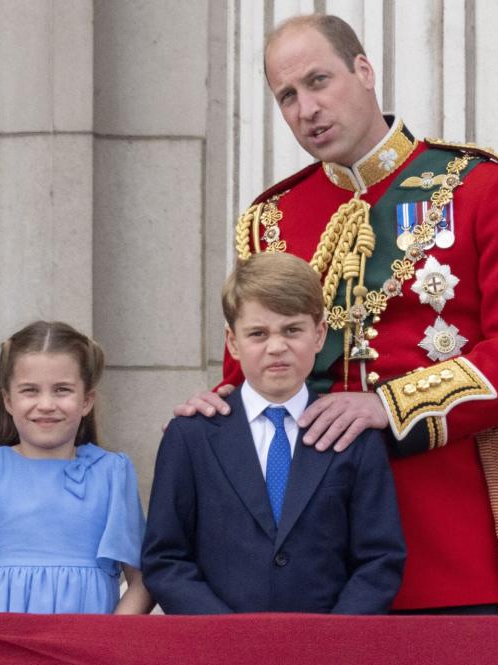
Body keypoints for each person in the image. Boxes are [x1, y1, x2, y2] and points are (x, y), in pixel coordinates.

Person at [176, 14, 498, 613]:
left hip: (439, 538)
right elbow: (251, 372)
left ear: (364, 70)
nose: (307, 109)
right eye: (288, 96)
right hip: (305, 553)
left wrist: (387, 405)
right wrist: (219, 404)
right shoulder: (271, 219)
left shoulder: (479, 187)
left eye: (319, 81)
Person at [144, 253, 405, 614]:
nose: (276, 346)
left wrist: (333, 641)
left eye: (292, 330)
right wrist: (227, 637)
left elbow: (379, 558)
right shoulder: (191, 436)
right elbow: (166, 557)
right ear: (233, 342)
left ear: (319, 334)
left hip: (327, 648)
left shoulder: (353, 437)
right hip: (220, 648)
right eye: (258, 333)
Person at [0, 321, 153, 614]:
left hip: (84, 649)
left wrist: (108, 639)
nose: (46, 404)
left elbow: (142, 579)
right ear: (8, 400)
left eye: (62, 390)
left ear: (86, 401)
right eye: (30, 391)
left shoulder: (112, 472)